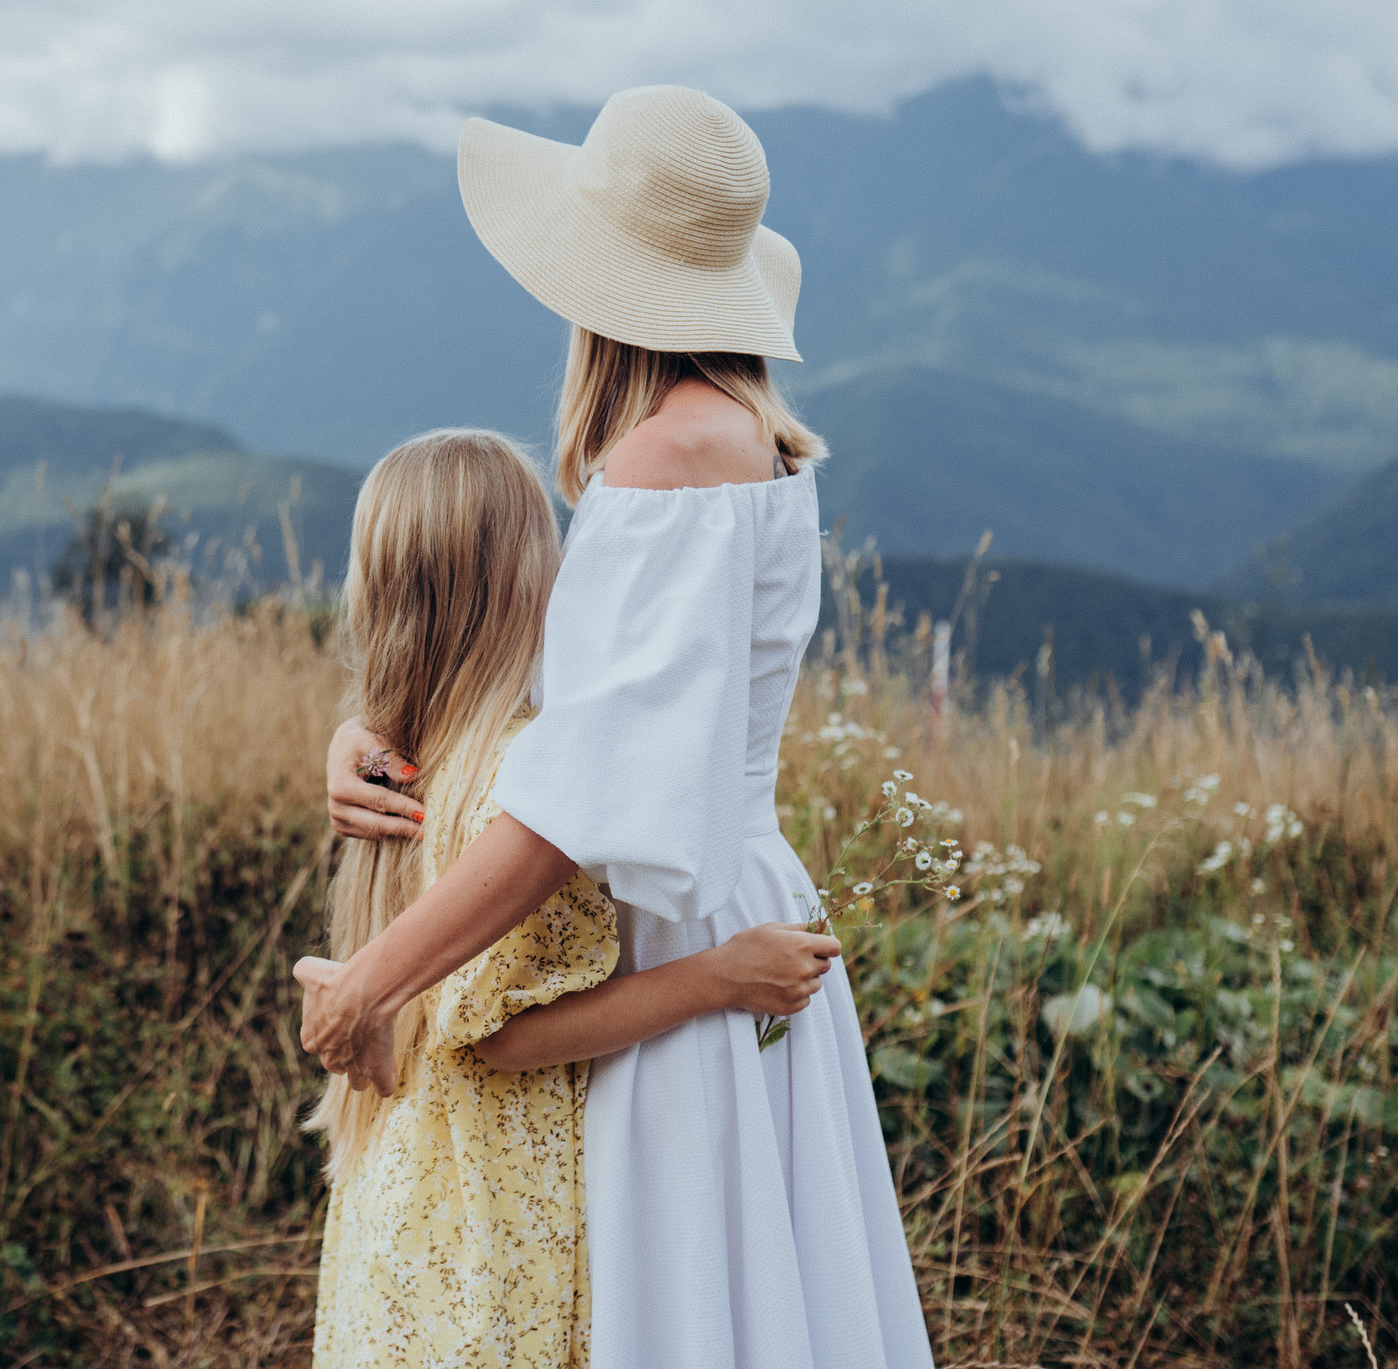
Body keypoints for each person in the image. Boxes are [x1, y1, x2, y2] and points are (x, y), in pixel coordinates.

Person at [299, 87, 934, 1368]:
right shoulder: (752, 439)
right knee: (761, 1297)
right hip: (735, 887)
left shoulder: (664, 460)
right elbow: (603, 698)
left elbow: (569, 804)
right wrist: (375, 721)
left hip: (672, 931)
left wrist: (373, 980)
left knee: (678, 1303)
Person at [301, 427, 846, 1369]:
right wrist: (719, 976)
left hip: (402, 1212)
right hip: (495, 1226)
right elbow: (503, 1031)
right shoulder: (527, 780)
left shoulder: (411, 756)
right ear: (530, 576)